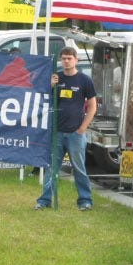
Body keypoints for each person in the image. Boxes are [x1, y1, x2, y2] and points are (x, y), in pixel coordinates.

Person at [35, 46, 97, 210]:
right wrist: (50, 86)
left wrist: (83, 128)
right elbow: (43, 101)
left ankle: (85, 200)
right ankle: (44, 201)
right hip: (57, 132)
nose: (66, 61)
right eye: (64, 58)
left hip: (76, 134)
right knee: (51, 168)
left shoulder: (84, 80)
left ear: (76, 60)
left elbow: (92, 106)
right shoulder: (56, 78)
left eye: (70, 58)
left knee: (79, 168)